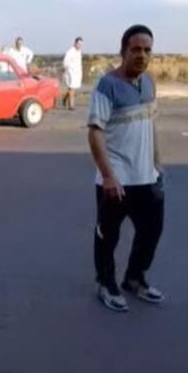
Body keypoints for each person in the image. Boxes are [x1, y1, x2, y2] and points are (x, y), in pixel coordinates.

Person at [88, 24, 164, 312]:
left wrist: (158, 164)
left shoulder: (150, 83)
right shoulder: (107, 85)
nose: (142, 55)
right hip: (116, 178)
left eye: (147, 50)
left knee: (151, 231)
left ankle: (134, 278)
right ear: (123, 51)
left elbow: (151, 123)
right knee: (108, 235)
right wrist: (107, 175)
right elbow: (95, 132)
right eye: (136, 49)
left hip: (148, 177)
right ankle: (106, 283)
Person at [62, 37, 84, 110]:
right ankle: (71, 106)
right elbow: (65, 62)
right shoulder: (70, 51)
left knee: (74, 89)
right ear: (75, 43)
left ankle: (65, 98)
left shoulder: (79, 51)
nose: (79, 45)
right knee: (72, 88)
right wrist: (67, 69)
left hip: (77, 72)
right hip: (71, 72)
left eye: (81, 44)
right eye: (78, 44)